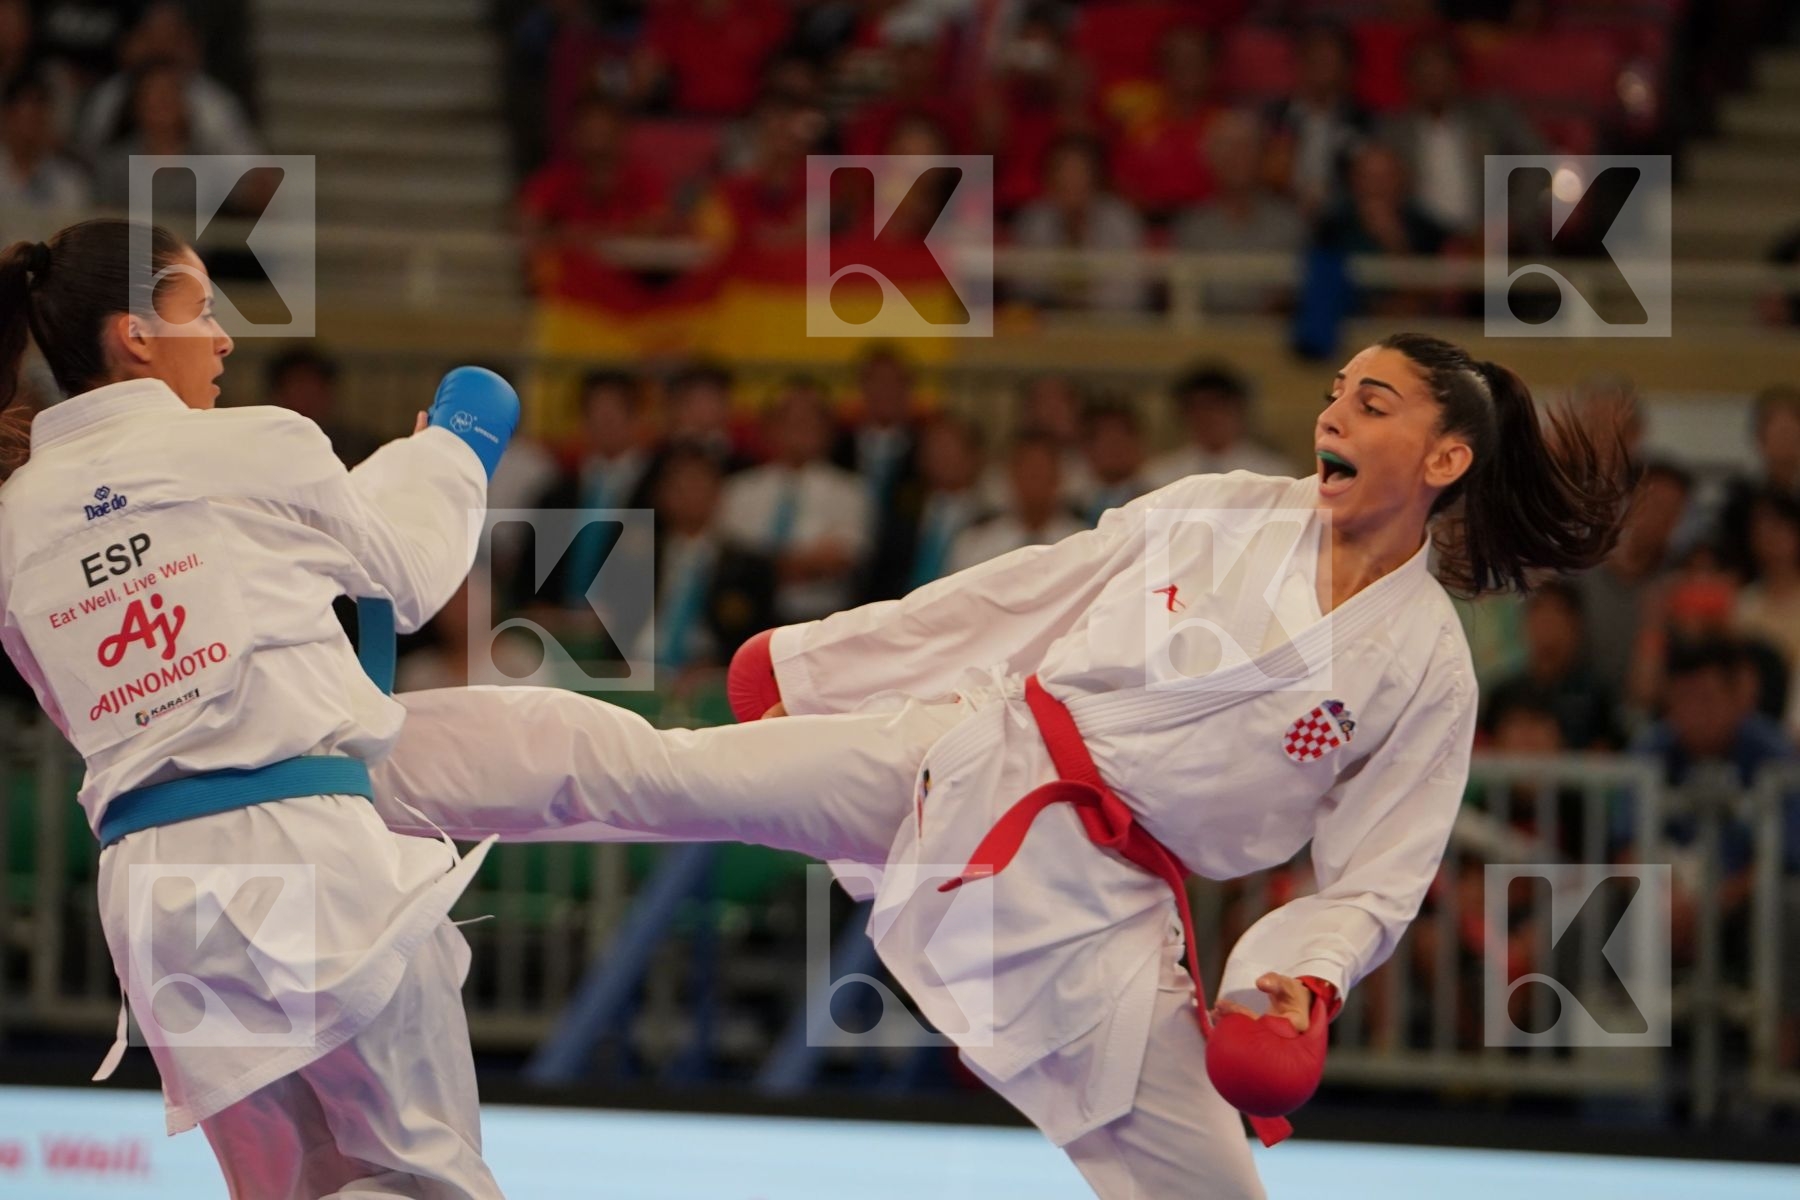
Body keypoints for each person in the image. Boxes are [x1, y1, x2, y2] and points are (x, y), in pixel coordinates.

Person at [358, 332, 1630, 1199]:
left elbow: (1374, 877)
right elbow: (1028, 592)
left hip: (1109, 908)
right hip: (973, 756)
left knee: (1215, 1188)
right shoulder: (1225, 509)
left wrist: (1292, 979)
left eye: (1373, 404)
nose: (1333, 414)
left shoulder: (1426, 665)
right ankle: (366, 766)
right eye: (1337, 391)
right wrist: (823, 660)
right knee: (666, 773)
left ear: (1446, 460)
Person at [0, 220, 519, 1199]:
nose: (224, 337)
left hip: (153, 888)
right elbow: (408, 577)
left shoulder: (16, 514)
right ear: (136, 334)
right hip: (296, 847)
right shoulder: (259, 441)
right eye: (200, 308)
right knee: (425, 1179)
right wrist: (456, 448)